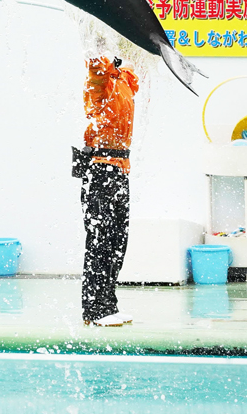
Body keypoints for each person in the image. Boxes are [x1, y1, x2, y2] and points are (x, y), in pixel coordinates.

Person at [74, 56, 138, 327]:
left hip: (120, 168)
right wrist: (108, 57)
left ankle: (108, 303)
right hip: (100, 170)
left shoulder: (123, 81)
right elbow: (96, 67)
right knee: (99, 241)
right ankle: (94, 309)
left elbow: (135, 78)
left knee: (116, 241)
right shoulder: (100, 79)